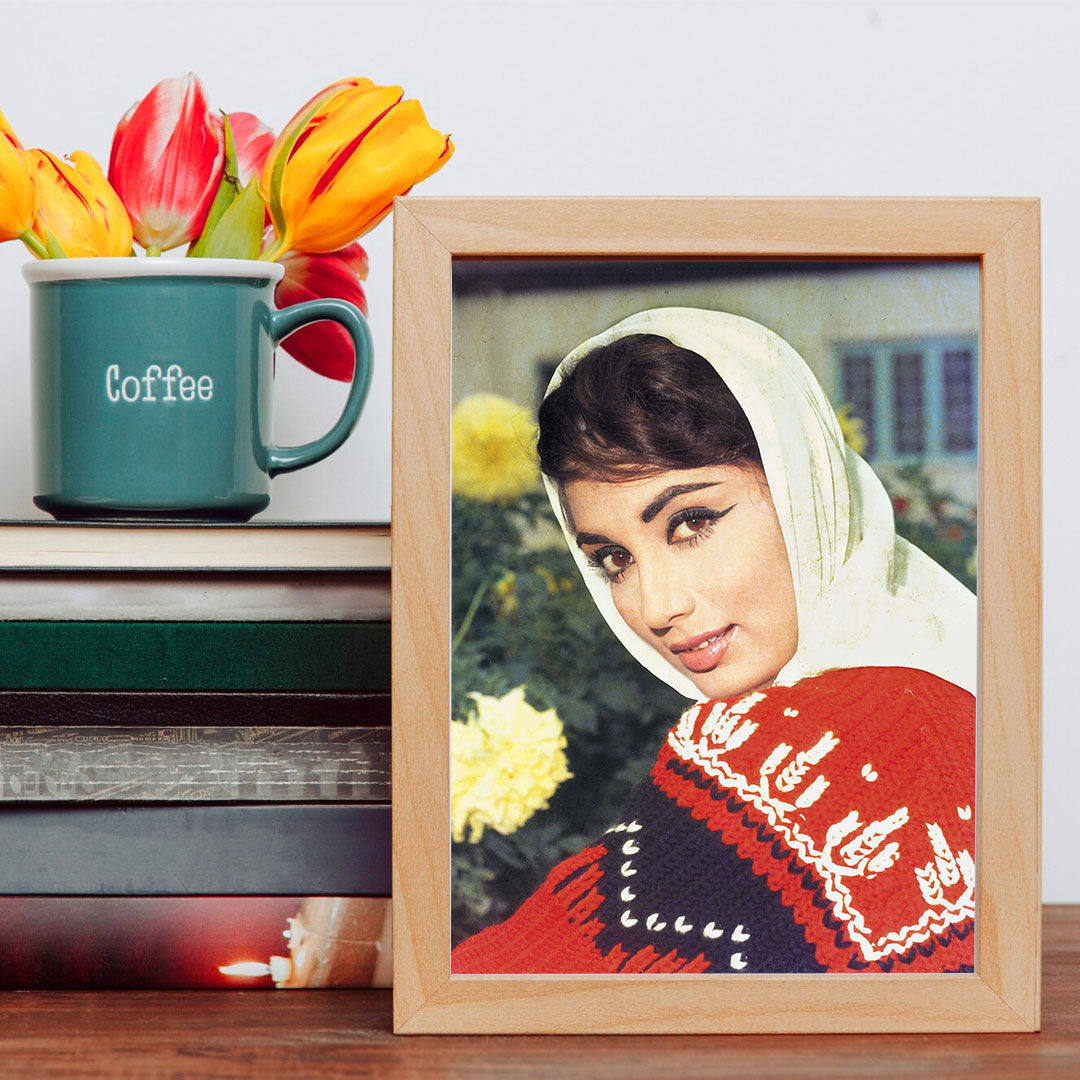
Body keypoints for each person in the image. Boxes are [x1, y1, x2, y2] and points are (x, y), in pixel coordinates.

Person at [451, 308, 976, 975]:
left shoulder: (787, 762)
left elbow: (491, 996)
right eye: (614, 559)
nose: (657, 605)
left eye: (690, 523)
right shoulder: (960, 677)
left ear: (803, 490)